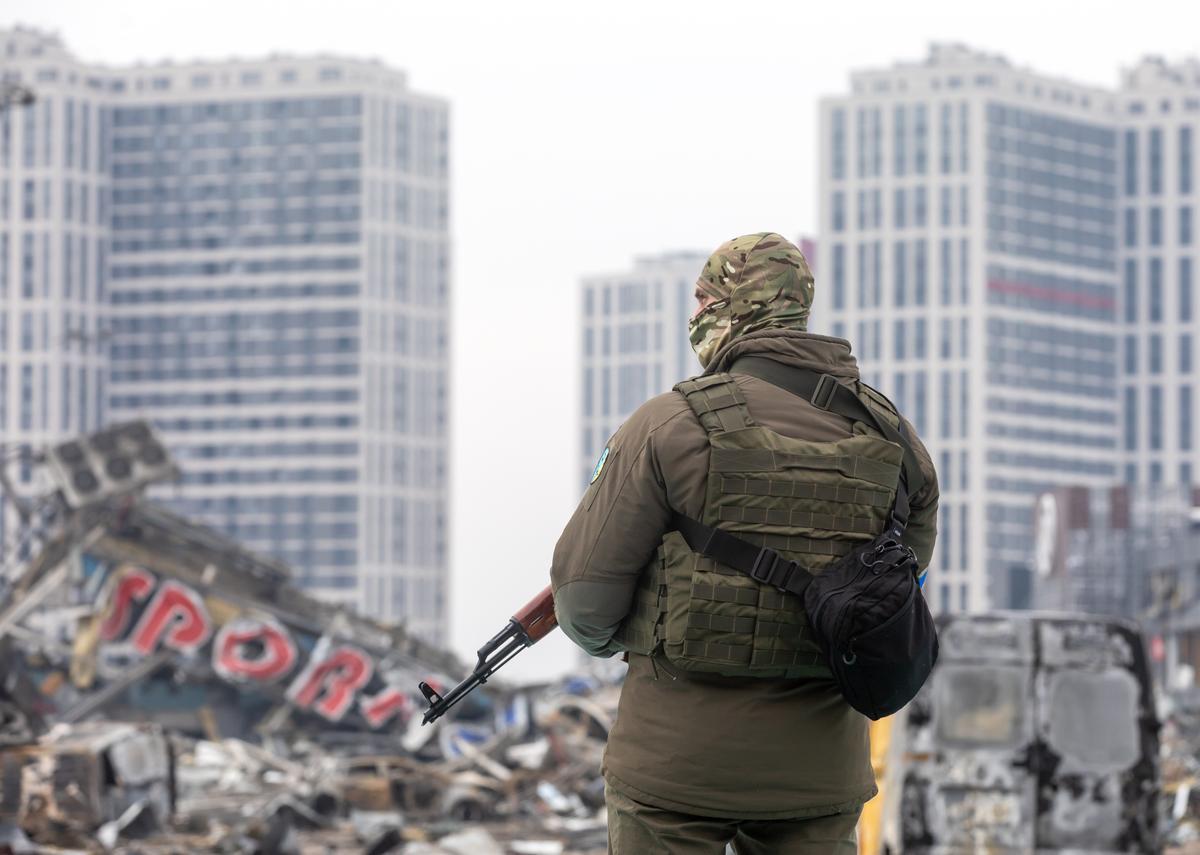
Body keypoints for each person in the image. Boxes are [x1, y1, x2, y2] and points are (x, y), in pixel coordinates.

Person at [550, 232, 939, 854]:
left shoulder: (668, 424)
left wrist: (653, 627)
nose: (695, 314)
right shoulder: (893, 438)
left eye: (704, 298)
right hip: (820, 775)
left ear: (738, 306)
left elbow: (583, 602)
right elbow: (899, 589)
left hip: (673, 769)